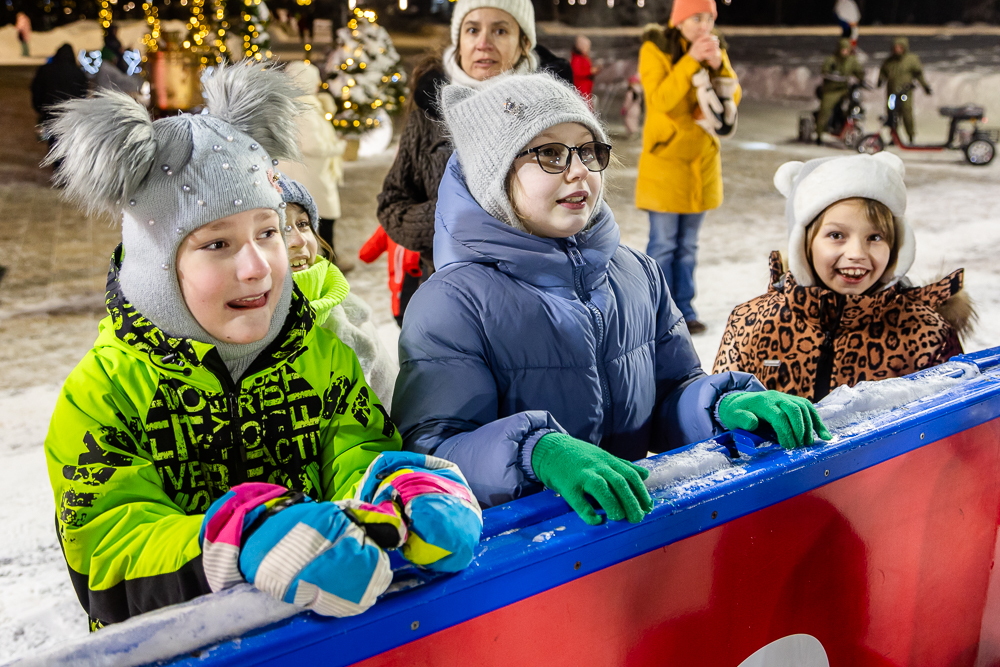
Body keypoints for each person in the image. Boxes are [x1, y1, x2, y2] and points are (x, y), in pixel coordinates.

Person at [41, 63, 481, 630]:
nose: (256, 268)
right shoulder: (100, 397)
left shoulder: (320, 357)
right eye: (218, 243)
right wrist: (240, 542)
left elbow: (355, 450)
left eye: (267, 232)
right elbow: (108, 551)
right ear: (156, 265)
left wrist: (401, 489)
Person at [392, 73, 830, 523]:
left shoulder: (637, 273)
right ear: (493, 177)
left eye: (588, 150)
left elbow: (668, 397)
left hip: (630, 537)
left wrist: (717, 406)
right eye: (550, 153)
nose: (579, 169)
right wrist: (534, 452)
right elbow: (429, 451)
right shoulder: (451, 304)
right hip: (525, 559)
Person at [714, 153, 974, 402]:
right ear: (803, 244)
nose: (857, 254)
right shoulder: (751, 325)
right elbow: (714, 427)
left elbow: (954, 437)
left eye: (875, 237)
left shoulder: (926, 335)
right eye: (836, 235)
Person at [376, 0, 571, 324]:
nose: (483, 42)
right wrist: (451, 219)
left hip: (539, 301)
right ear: (459, 41)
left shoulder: (559, 112)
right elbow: (392, 206)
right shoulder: (429, 114)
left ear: (524, 42)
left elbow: (584, 204)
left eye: (500, 30)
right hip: (450, 301)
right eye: (472, 29)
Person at [636, 0, 740, 335]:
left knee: (688, 247)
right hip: (667, 162)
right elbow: (661, 100)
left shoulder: (714, 47)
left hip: (702, 164)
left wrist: (718, 65)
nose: (704, 26)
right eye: (697, 18)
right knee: (663, 244)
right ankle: (657, 313)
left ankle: (685, 309)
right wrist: (691, 61)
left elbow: (731, 98)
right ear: (679, 20)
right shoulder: (655, 49)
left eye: (709, 18)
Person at [278, 175, 398, 409]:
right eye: (278, 230)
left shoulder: (353, 318)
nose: (298, 240)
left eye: (303, 224)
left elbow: (393, 408)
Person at [279, 61, 351, 272]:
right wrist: (337, 147)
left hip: (299, 175)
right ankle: (328, 264)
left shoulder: (289, 106)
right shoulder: (305, 110)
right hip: (310, 177)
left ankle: (324, 262)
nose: (319, 84)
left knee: (308, 222)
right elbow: (314, 145)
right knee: (321, 221)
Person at [31, 43, 89, 169]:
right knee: (68, 140)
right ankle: (66, 168)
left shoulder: (46, 70)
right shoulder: (78, 73)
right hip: (71, 113)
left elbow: (37, 89)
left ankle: (58, 167)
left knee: (54, 139)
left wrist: (39, 107)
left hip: (51, 111)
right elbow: (82, 93)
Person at [878, 36, 931, 144]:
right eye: (895, 47)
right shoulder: (889, 61)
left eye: (900, 47)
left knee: (907, 113)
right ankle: (894, 136)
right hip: (892, 93)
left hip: (905, 92)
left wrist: (925, 86)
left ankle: (911, 136)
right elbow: (883, 72)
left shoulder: (911, 60)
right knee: (892, 114)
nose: (897, 50)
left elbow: (918, 74)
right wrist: (880, 80)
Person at [816, 38, 865, 144]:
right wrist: (832, 74)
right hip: (831, 90)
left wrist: (861, 77)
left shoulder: (851, 61)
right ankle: (819, 134)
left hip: (844, 89)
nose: (845, 52)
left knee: (854, 103)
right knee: (825, 109)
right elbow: (825, 71)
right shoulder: (831, 60)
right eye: (843, 49)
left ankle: (851, 125)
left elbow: (858, 72)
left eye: (847, 50)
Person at [570, 35, 601, 107]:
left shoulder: (583, 57)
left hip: (586, 87)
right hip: (581, 88)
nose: (588, 49)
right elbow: (576, 72)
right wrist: (590, 71)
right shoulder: (577, 58)